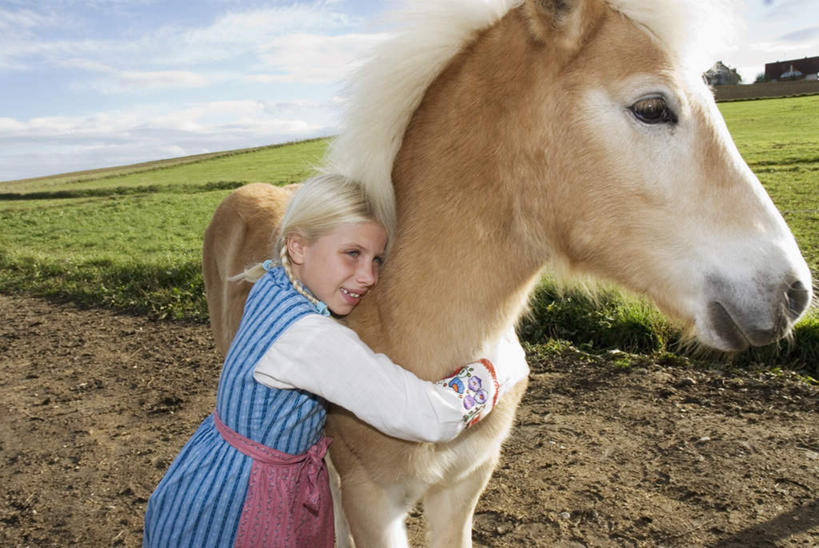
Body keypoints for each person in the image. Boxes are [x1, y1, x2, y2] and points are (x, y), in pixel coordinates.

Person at [143, 174, 529, 547]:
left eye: (378, 260)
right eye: (352, 254)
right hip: (246, 502)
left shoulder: (274, 285)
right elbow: (427, 417)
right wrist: (500, 368)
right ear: (297, 247)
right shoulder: (309, 338)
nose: (368, 277)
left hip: (209, 474)